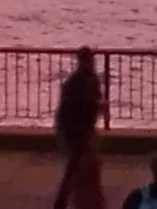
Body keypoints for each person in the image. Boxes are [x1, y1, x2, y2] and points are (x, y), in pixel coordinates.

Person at [54, 47, 104, 209]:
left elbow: (64, 110)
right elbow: (68, 110)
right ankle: (66, 201)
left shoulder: (85, 80)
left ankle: (83, 200)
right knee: (77, 167)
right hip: (77, 130)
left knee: (80, 167)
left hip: (83, 129)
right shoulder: (79, 82)